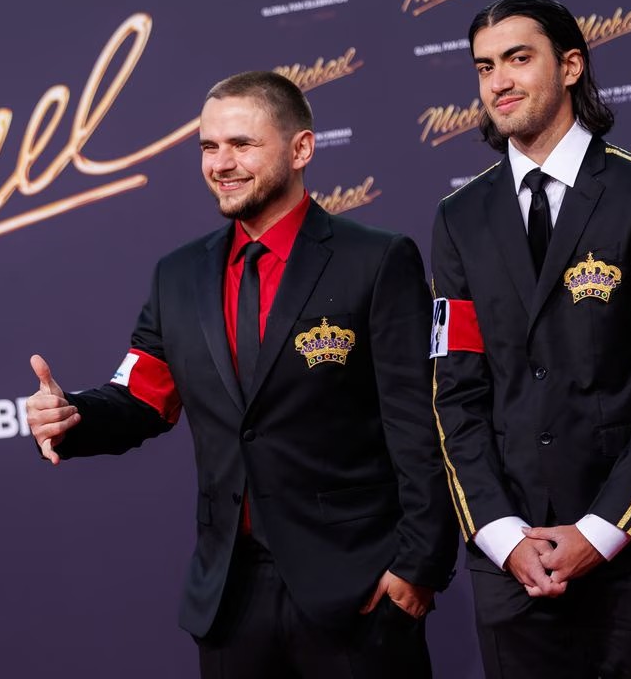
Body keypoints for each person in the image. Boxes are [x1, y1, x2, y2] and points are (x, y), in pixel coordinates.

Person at [28, 70, 458, 678]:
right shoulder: (179, 276)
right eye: (209, 146)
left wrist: (419, 564)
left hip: (358, 587)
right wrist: (72, 415)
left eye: (241, 144)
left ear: (300, 149)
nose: (221, 164)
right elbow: (142, 396)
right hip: (230, 596)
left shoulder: (376, 260)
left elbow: (419, 423)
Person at [430, 0, 631, 678]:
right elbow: (455, 394)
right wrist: (501, 536)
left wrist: (599, 532)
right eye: (484, 67)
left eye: (518, 59)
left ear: (572, 66)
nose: (498, 81)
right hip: (511, 567)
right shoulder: (458, 217)